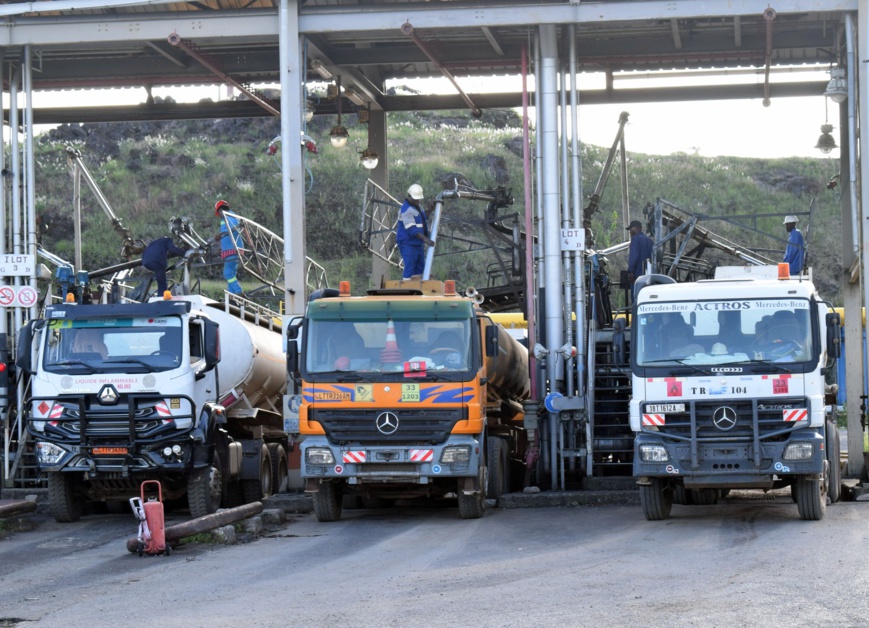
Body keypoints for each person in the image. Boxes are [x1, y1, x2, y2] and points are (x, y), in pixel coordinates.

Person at [396, 183, 434, 279]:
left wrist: (431, 209)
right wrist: (426, 239)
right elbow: (412, 230)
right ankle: (407, 290)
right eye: (415, 199)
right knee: (410, 268)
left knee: (420, 268)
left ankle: (418, 290)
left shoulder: (417, 207)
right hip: (408, 243)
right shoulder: (406, 210)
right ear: (409, 196)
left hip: (417, 243)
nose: (417, 201)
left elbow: (423, 217)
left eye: (418, 199)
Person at [214, 199, 244, 295]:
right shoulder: (229, 217)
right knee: (231, 274)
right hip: (231, 249)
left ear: (221, 210)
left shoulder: (229, 216)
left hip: (233, 249)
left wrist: (220, 236)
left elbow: (233, 229)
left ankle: (238, 291)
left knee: (227, 273)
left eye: (219, 212)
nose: (219, 214)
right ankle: (232, 296)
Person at [626, 219, 653, 285]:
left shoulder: (635, 239)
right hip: (649, 274)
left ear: (636, 228)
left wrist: (631, 271)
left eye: (631, 229)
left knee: (636, 293)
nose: (630, 231)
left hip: (637, 274)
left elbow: (634, 256)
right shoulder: (649, 240)